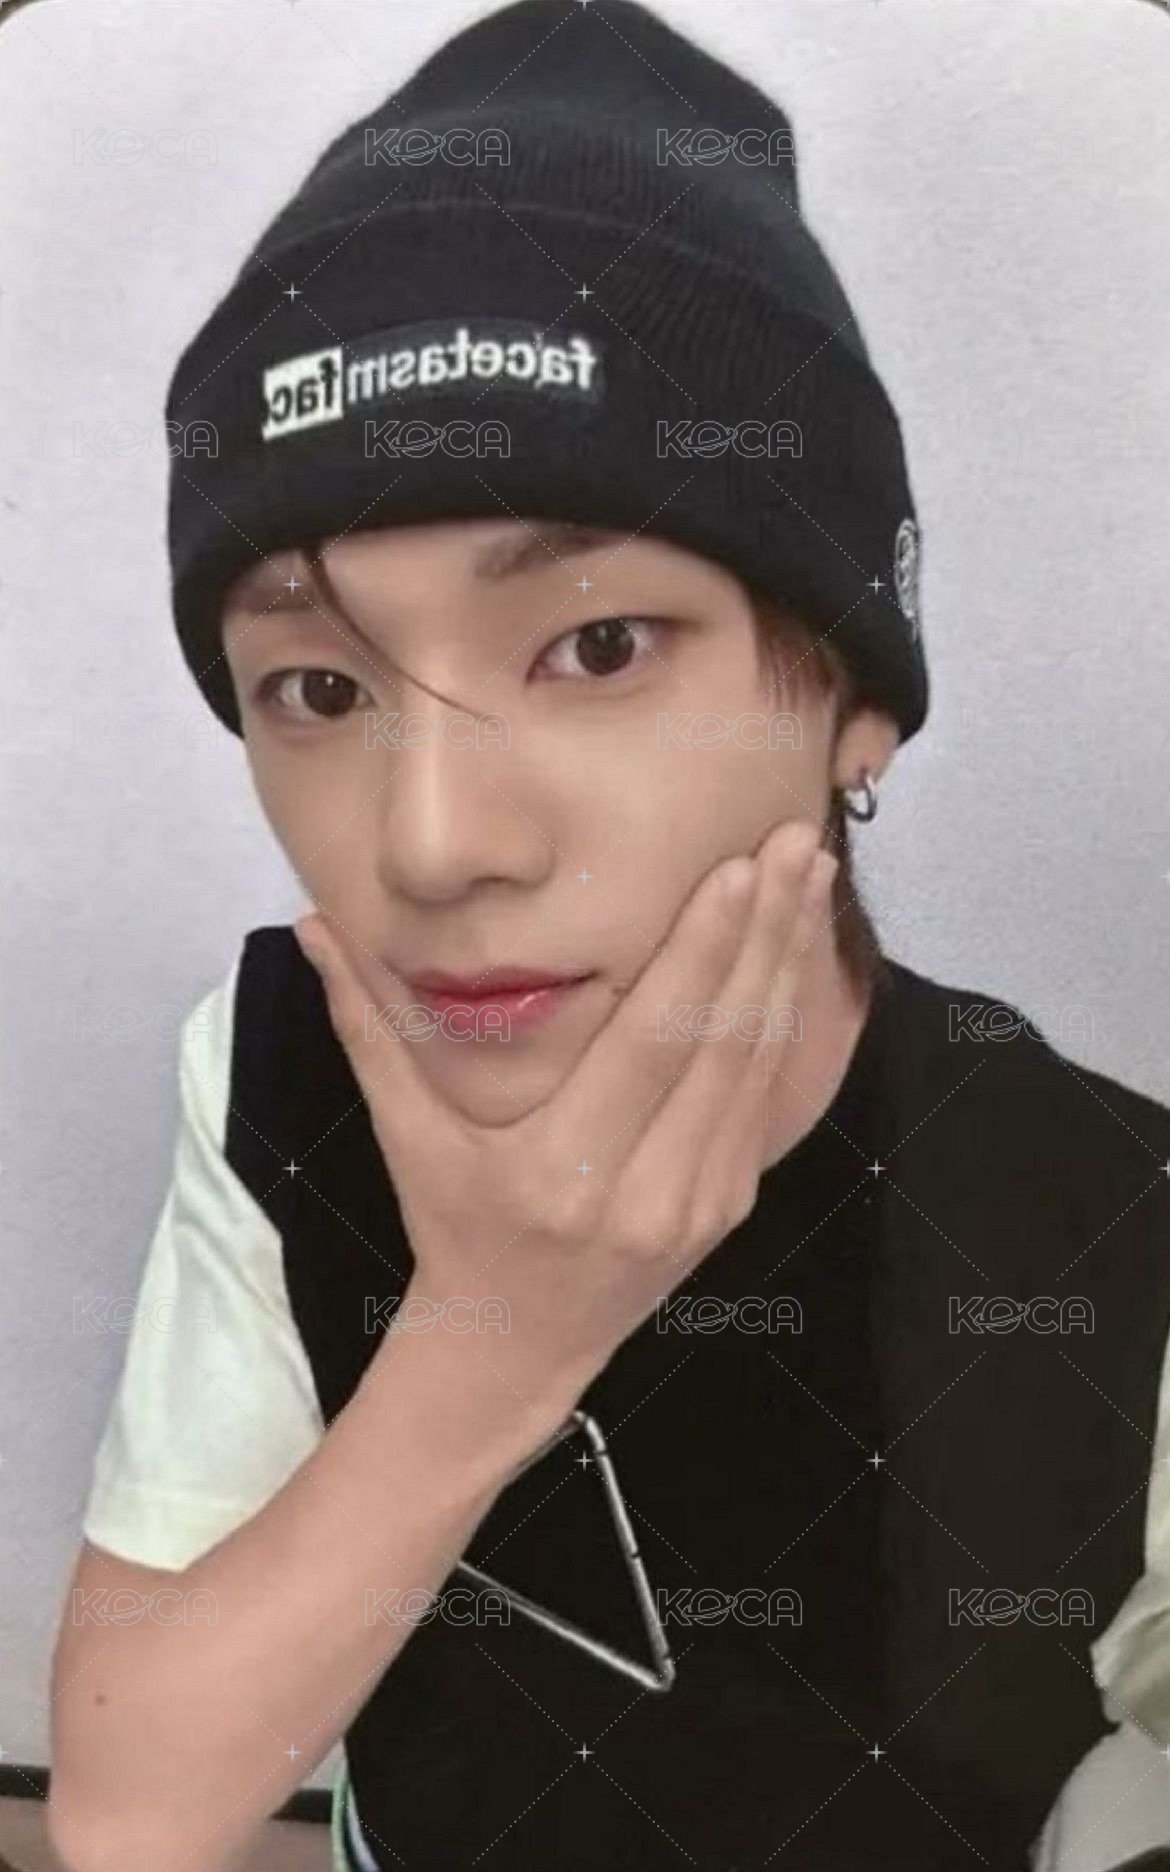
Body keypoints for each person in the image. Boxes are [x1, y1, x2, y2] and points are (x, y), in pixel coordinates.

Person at [46, 3, 1170, 1869]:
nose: (434, 844)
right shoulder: (278, 1062)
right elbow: (127, 1816)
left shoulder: (1106, 1206)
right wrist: (494, 1337)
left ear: (854, 701)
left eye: (596, 645)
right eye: (317, 686)